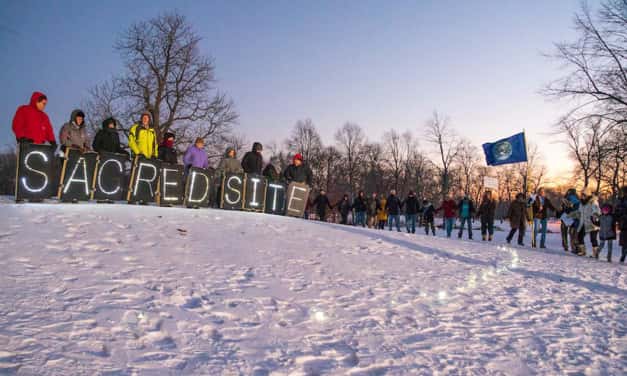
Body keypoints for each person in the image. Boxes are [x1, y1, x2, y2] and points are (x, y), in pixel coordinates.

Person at [577, 191, 600, 257]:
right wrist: (574, 214)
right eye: (581, 195)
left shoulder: (593, 202)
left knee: (593, 238)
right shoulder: (581, 203)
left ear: (587, 195)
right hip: (584, 222)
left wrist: (595, 216)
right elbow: (579, 212)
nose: (582, 196)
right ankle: (583, 251)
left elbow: (597, 211)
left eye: (584, 195)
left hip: (592, 223)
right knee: (580, 236)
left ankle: (595, 253)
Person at [615, 186, 627, 263]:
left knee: (624, 241)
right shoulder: (621, 201)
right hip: (623, 224)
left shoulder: (623, 201)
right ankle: (623, 255)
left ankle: (623, 255)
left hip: (624, 223)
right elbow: (617, 211)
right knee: (624, 241)